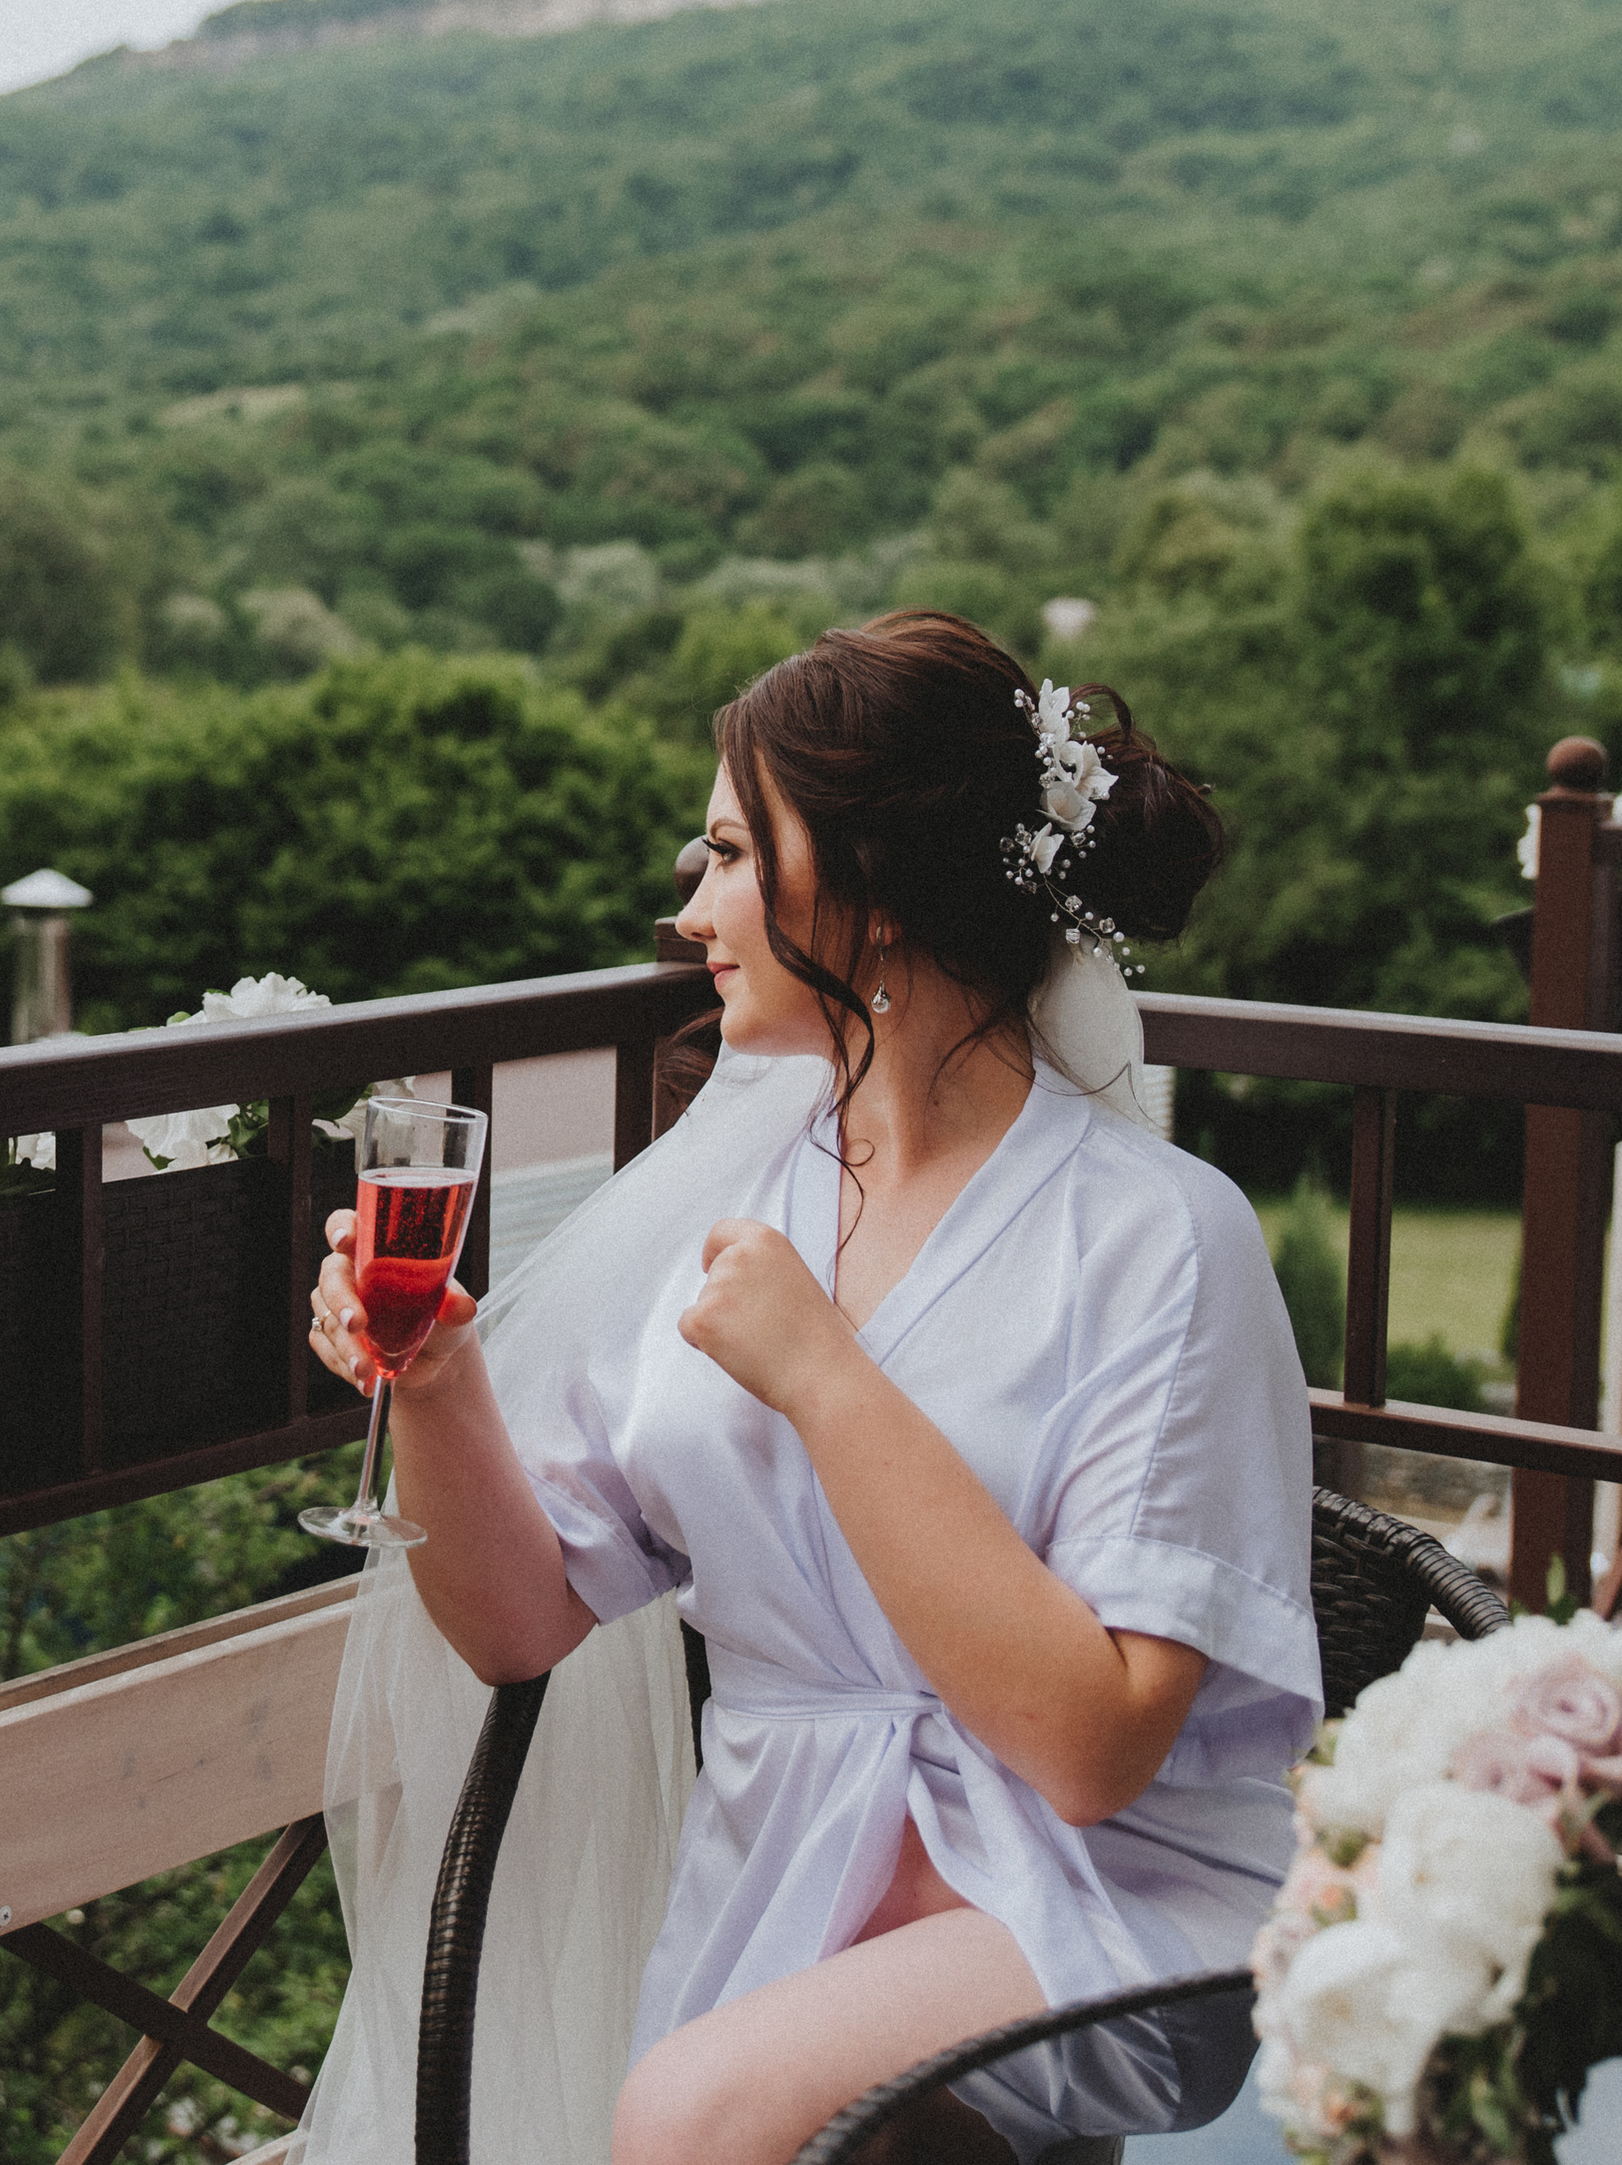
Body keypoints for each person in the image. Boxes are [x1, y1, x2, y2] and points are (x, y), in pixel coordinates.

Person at [298, 613, 1320, 2165]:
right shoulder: (733, 1201)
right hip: (786, 1870)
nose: (690, 906)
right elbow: (520, 1624)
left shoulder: (1163, 1239)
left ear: (877, 892)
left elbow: (1091, 1747)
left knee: (694, 2115)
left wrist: (827, 1380)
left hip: (1097, 1897)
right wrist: (436, 1383)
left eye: (727, 852)